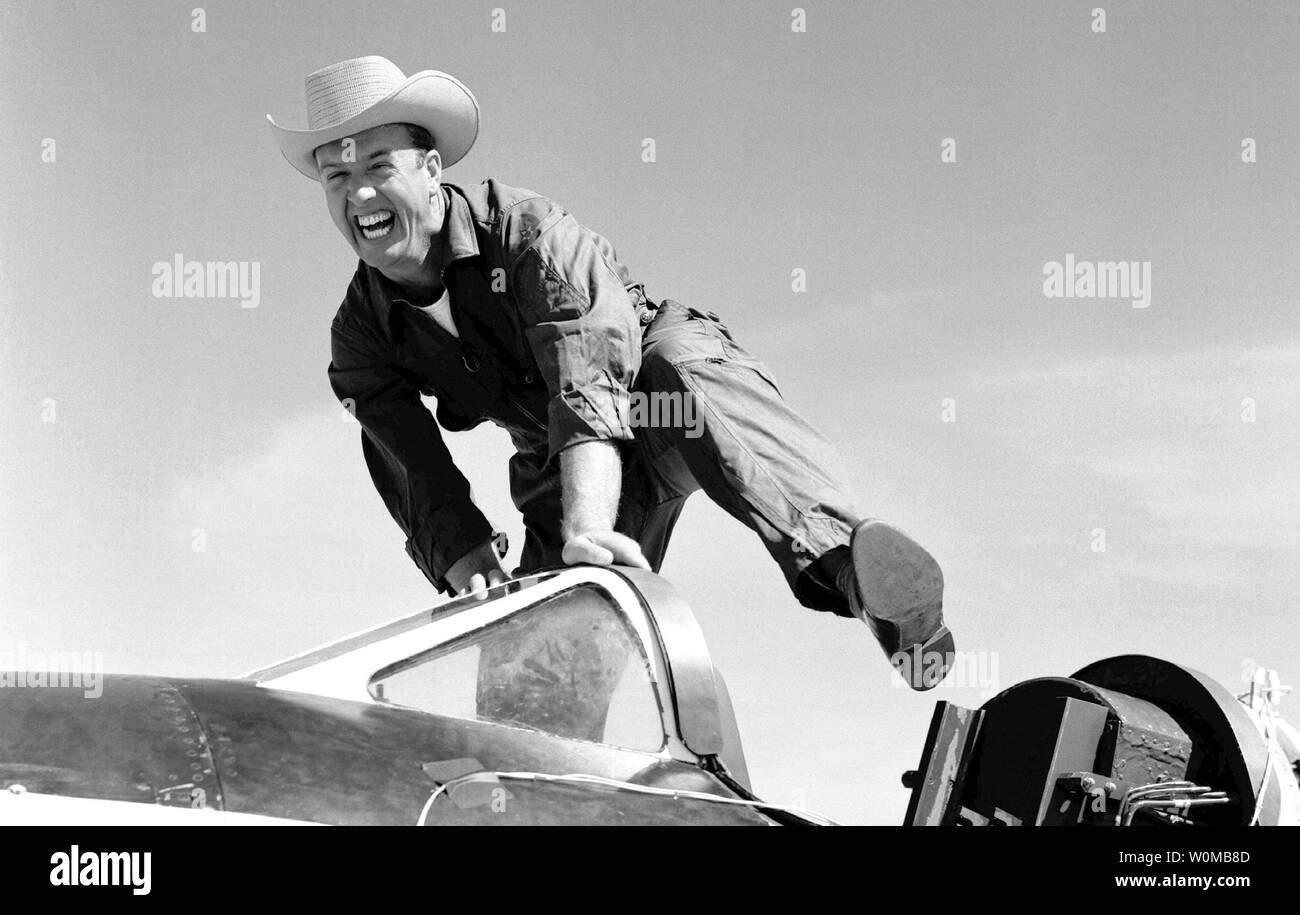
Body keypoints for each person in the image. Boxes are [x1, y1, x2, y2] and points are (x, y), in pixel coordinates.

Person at [268, 56, 956, 689]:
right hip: (557, 468)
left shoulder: (530, 234)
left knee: (680, 373)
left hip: (649, 403)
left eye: (378, 167)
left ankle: (869, 587)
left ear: (429, 167)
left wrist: (589, 525)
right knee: (530, 671)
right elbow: (406, 460)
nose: (358, 195)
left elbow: (587, 374)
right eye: (338, 178)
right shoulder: (361, 333)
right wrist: (466, 557)